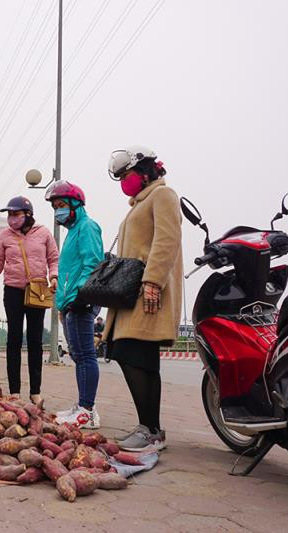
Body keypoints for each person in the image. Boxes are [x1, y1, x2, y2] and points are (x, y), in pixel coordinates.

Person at [103, 146, 183, 452]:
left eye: (128, 174)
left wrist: (152, 282)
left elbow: (167, 239)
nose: (125, 180)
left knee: (131, 353)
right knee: (139, 358)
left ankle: (149, 429)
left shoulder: (164, 195)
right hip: (131, 292)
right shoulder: (138, 203)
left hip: (148, 291)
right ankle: (150, 428)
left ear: (147, 171)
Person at [0, 196, 59, 406]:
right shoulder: (4, 237)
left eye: (15, 214)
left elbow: (53, 259)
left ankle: (35, 391)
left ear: (28, 215)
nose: (11, 219)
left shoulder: (44, 233)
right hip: (12, 291)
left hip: (37, 290)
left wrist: (54, 276)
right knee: (13, 340)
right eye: (9, 215)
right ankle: (14, 391)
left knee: (35, 341)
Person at [46, 182, 104, 428]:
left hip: (82, 300)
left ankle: (87, 411)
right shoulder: (73, 232)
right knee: (79, 356)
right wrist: (62, 305)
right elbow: (67, 271)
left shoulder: (87, 227)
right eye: (55, 207)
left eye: (61, 206)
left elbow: (92, 263)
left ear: (76, 205)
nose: (58, 211)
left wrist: (80, 296)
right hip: (71, 302)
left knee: (86, 356)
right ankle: (83, 405)